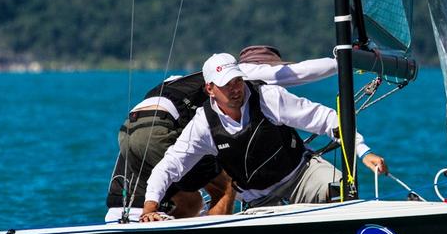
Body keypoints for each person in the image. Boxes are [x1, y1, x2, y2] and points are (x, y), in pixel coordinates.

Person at [106, 46, 342, 222]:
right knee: (227, 185)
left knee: (189, 199)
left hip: (130, 128)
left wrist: (150, 208)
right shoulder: (247, 73)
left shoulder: (188, 79)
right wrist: (343, 60)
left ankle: (145, 221)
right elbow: (301, 73)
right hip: (162, 128)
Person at [141, 53, 387, 219]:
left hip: (300, 174)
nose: (236, 89)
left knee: (337, 186)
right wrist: (150, 207)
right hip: (257, 198)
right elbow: (169, 166)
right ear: (210, 89)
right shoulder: (203, 124)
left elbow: (326, 119)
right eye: (227, 84)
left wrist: (363, 150)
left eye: (237, 80)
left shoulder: (269, 97)